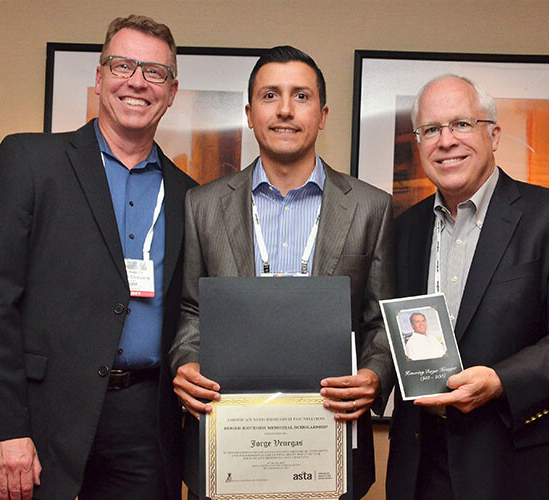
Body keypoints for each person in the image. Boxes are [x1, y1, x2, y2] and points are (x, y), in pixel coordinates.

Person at [0, 15, 197, 500]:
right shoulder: (29, 162)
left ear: (171, 92)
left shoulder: (189, 196)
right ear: (99, 78)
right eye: (122, 64)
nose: (136, 81)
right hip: (40, 419)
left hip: (146, 429)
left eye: (154, 72)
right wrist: (1, 428)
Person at [168, 45, 395, 499]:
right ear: (250, 113)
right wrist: (185, 360)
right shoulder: (203, 205)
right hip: (228, 446)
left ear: (323, 114)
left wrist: (375, 375)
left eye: (301, 96)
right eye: (271, 96)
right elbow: (193, 310)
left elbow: (381, 322)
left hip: (328, 446)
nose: (286, 110)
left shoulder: (372, 207)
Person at [386, 75, 549, 500]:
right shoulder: (404, 229)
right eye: (431, 129)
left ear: (493, 134)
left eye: (461, 124)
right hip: (421, 469)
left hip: (520, 468)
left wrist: (500, 380)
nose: (446, 140)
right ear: (419, 144)